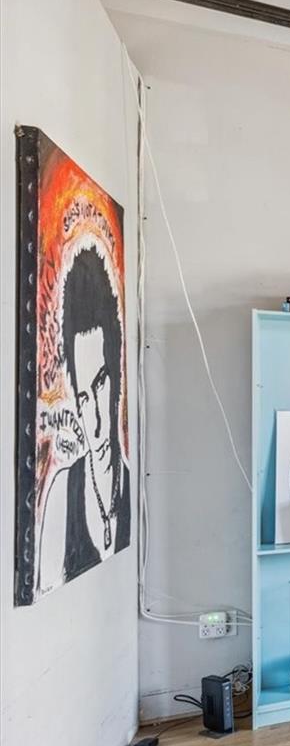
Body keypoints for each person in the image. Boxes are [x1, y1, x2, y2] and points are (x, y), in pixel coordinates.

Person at [37, 249, 131, 591]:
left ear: (118, 377)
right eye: (83, 398)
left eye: (101, 382)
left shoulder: (132, 487)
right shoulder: (62, 496)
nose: (92, 421)